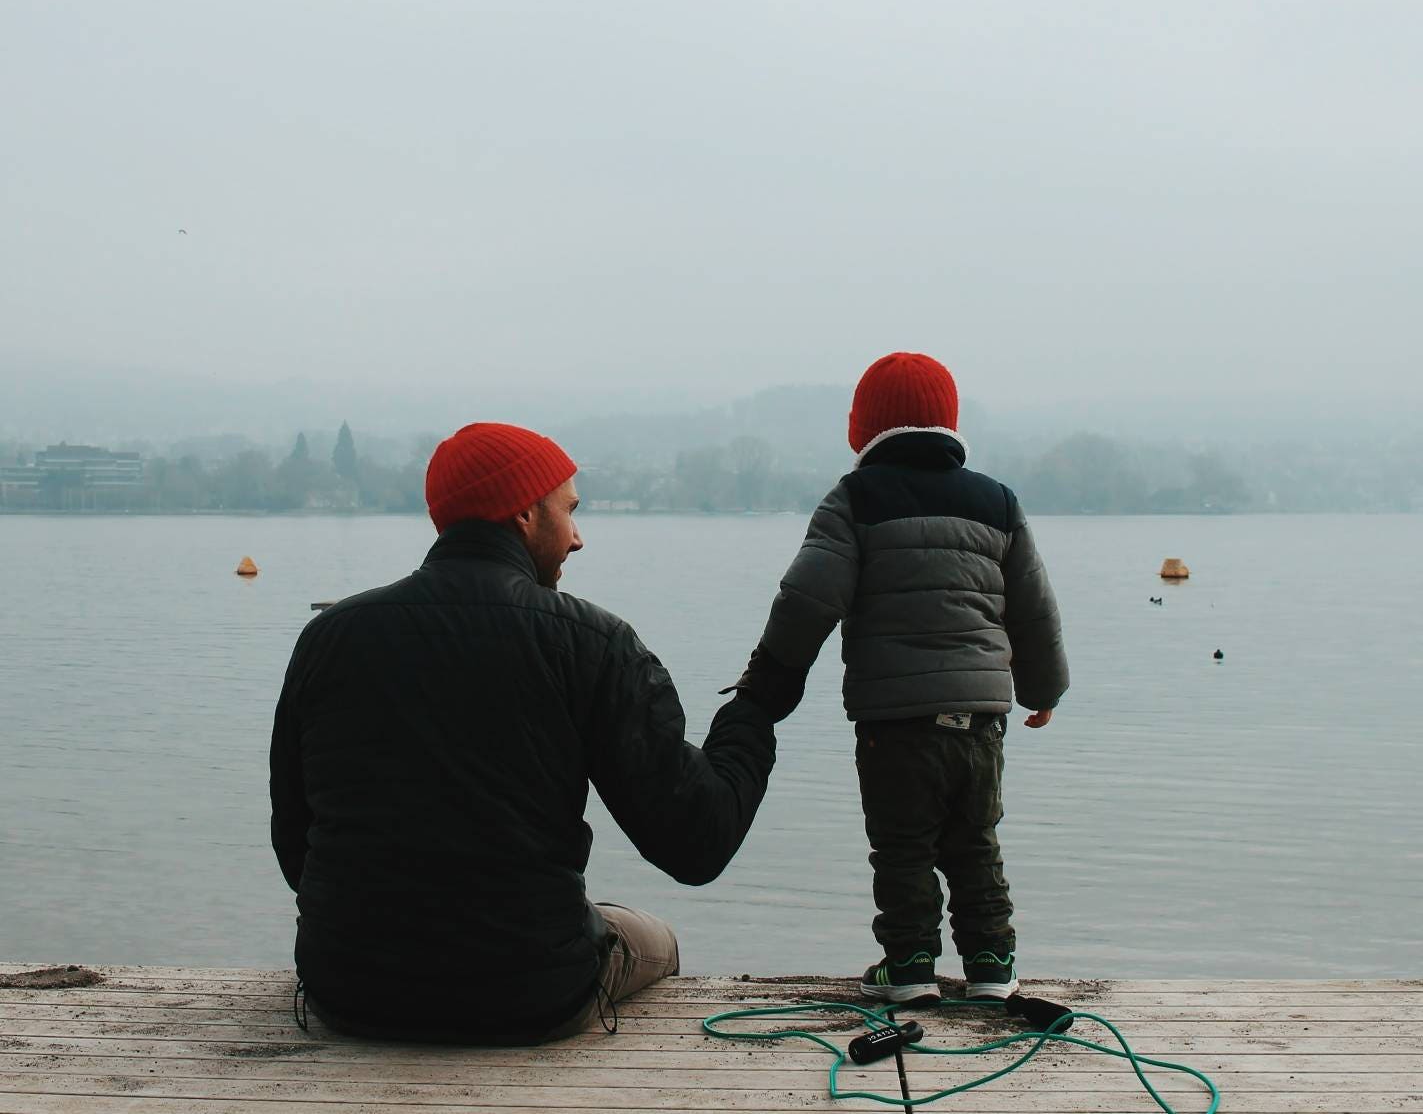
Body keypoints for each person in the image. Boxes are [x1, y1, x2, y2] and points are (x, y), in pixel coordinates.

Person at [270, 422, 778, 1044]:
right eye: (568, 511)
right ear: (523, 514)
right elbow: (698, 842)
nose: (578, 537)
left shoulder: (329, 639)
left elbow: (297, 846)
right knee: (657, 940)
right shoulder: (590, 642)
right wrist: (754, 711)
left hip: (345, 989)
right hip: (531, 993)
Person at [729, 352, 1068, 1003]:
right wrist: (1042, 690)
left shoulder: (854, 499)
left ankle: (909, 967)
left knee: (903, 844)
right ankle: (992, 966)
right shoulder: (996, 501)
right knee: (974, 839)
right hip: (979, 716)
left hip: (894, 720)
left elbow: (807, 599)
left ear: (863, 428)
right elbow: (1034, 608)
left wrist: (764, 691)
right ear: (949, 423)